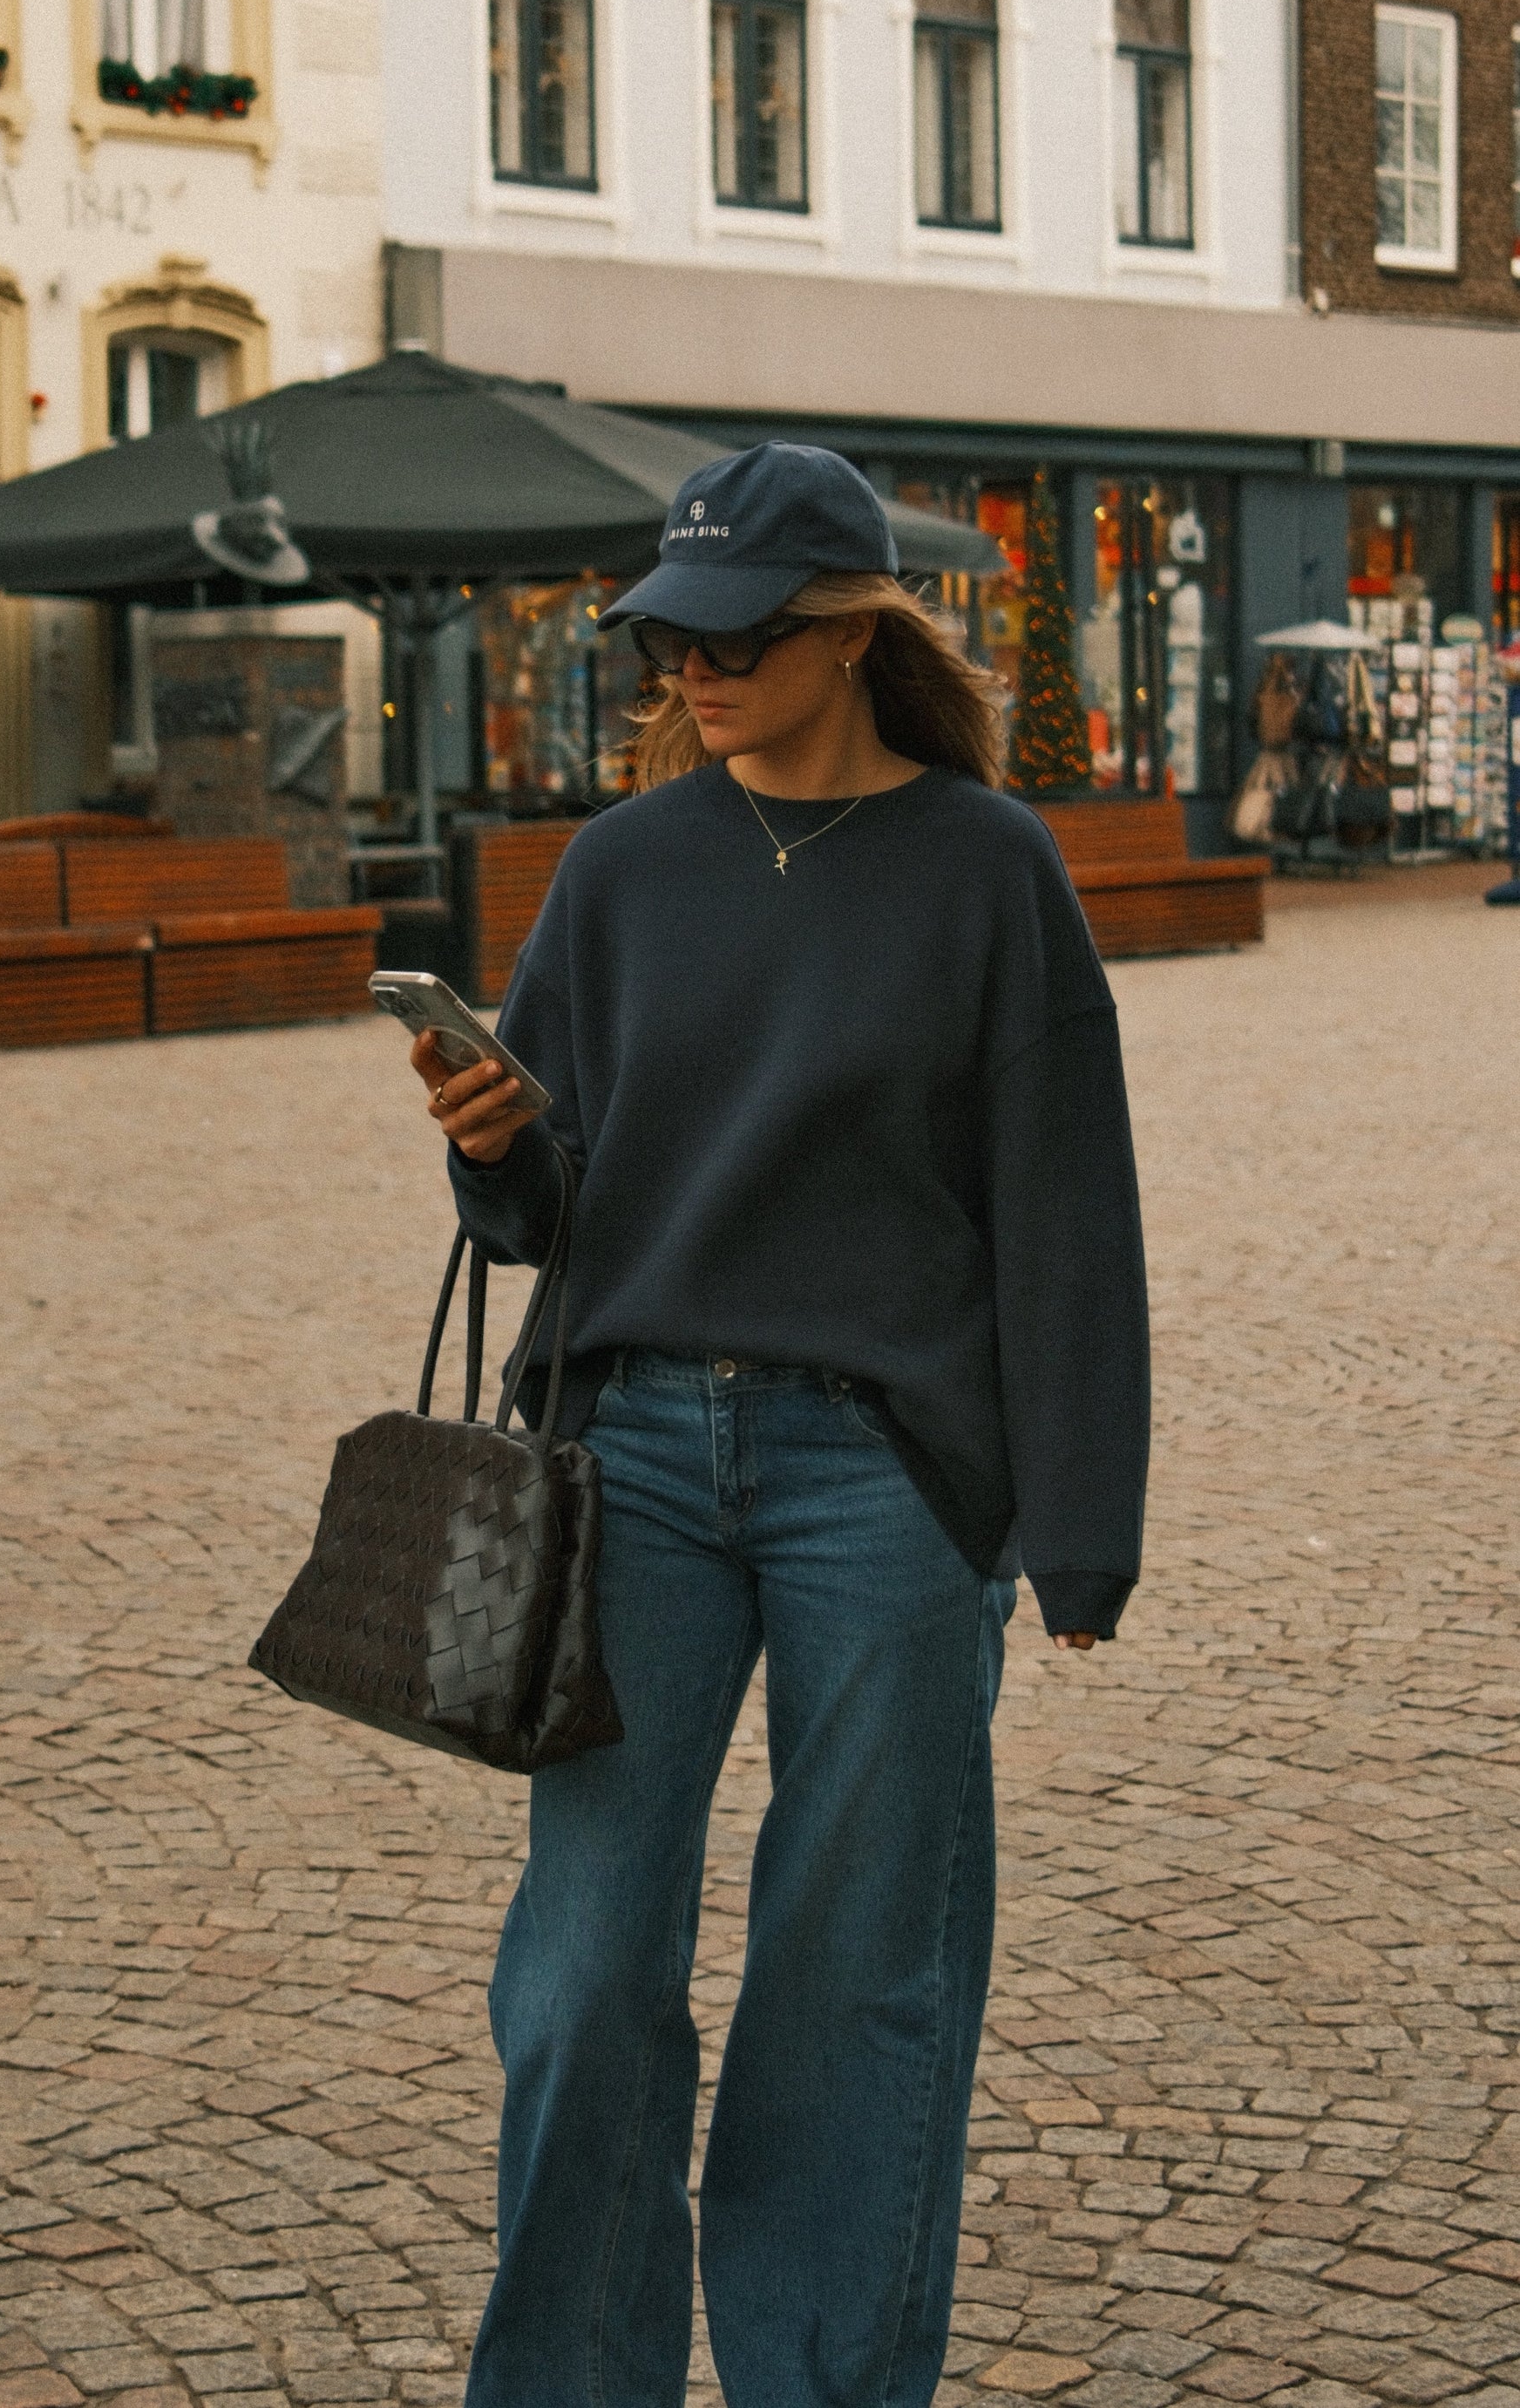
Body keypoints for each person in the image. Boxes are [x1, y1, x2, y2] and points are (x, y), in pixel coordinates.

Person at [407, 443, 1150, 2408]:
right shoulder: (617, 867)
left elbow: (1066, 1211)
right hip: (629, 1456)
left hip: (882, 1481)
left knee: (855, 1985)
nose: (693, 669)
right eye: (670, 634)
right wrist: (496, 1149)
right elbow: (557, 1202)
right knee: (575, 1981)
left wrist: (1077, 1526)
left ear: (847, 635)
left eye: (734, 637)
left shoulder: (988, 867)